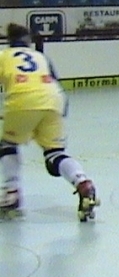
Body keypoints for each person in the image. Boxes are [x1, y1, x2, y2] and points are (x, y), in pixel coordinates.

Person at [0, 24, 99, 222]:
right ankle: (83, 183)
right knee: (55, 154)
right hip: (54, 100)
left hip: (22, 100)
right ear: (28, 41)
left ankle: (12, 192)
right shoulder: (40, 56)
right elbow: (56, 83)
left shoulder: (4, 56)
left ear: (9, 41)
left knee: (7, 144)